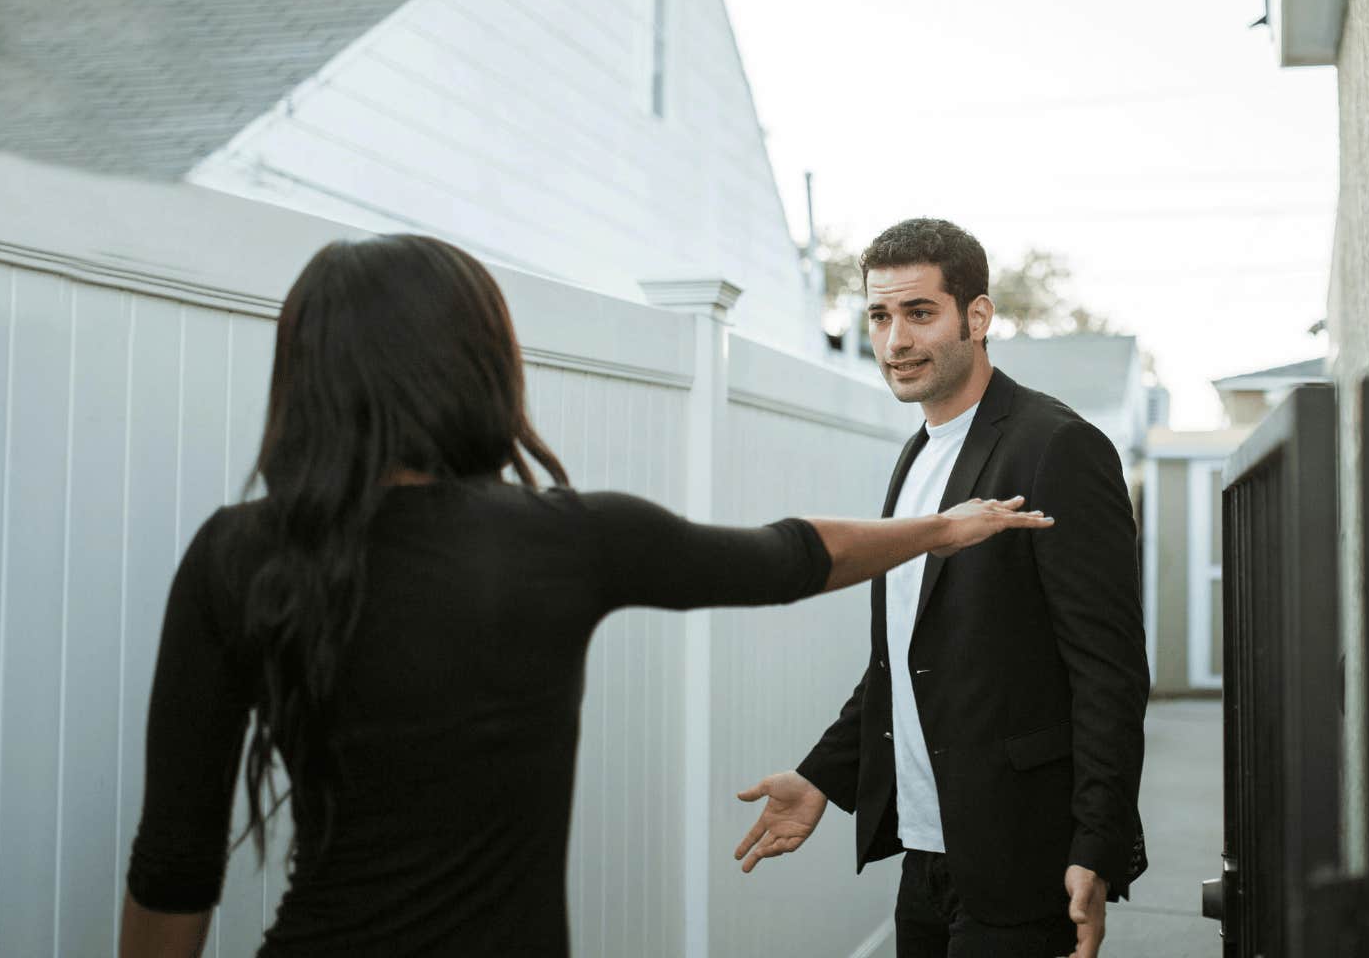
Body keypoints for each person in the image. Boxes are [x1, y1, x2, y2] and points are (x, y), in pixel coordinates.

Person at [119, 233, 1052, 958]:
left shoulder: (238, 556)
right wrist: (940, 528)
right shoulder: (558, 538)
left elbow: (174, 861)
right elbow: (789, 557)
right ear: (475, 363)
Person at [735, 219, 1148, 958]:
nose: (895, 341)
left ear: (977, 316)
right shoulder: (917, 453)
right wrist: (821, 778)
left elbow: (1108, 670)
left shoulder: (1055, 446)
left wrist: (1097, 844)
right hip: (926, 852)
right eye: (879, 316)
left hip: (1022, 853)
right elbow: (907, 655)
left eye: (919, 313)